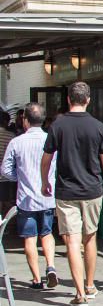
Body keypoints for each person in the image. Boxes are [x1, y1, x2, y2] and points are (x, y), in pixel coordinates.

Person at [41, 82, 103, 306]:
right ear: (88, 100)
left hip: (66, 191)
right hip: (93, 190)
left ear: (68, 99)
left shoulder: (58, 125)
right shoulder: (97, 127)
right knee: (90, 237)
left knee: (72, 241)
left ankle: (79, 294)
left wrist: (45, 181)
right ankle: (90, 285)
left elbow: (46, 158)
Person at [1, 103, 57, 290]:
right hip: (48, 196)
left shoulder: (17, 142)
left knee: (29, 238)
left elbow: (6, 170)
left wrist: (21, 176)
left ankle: (36, 279)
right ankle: (51, 266)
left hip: (26, 198)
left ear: (25, 120)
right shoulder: (51, 139)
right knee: (47, 233)